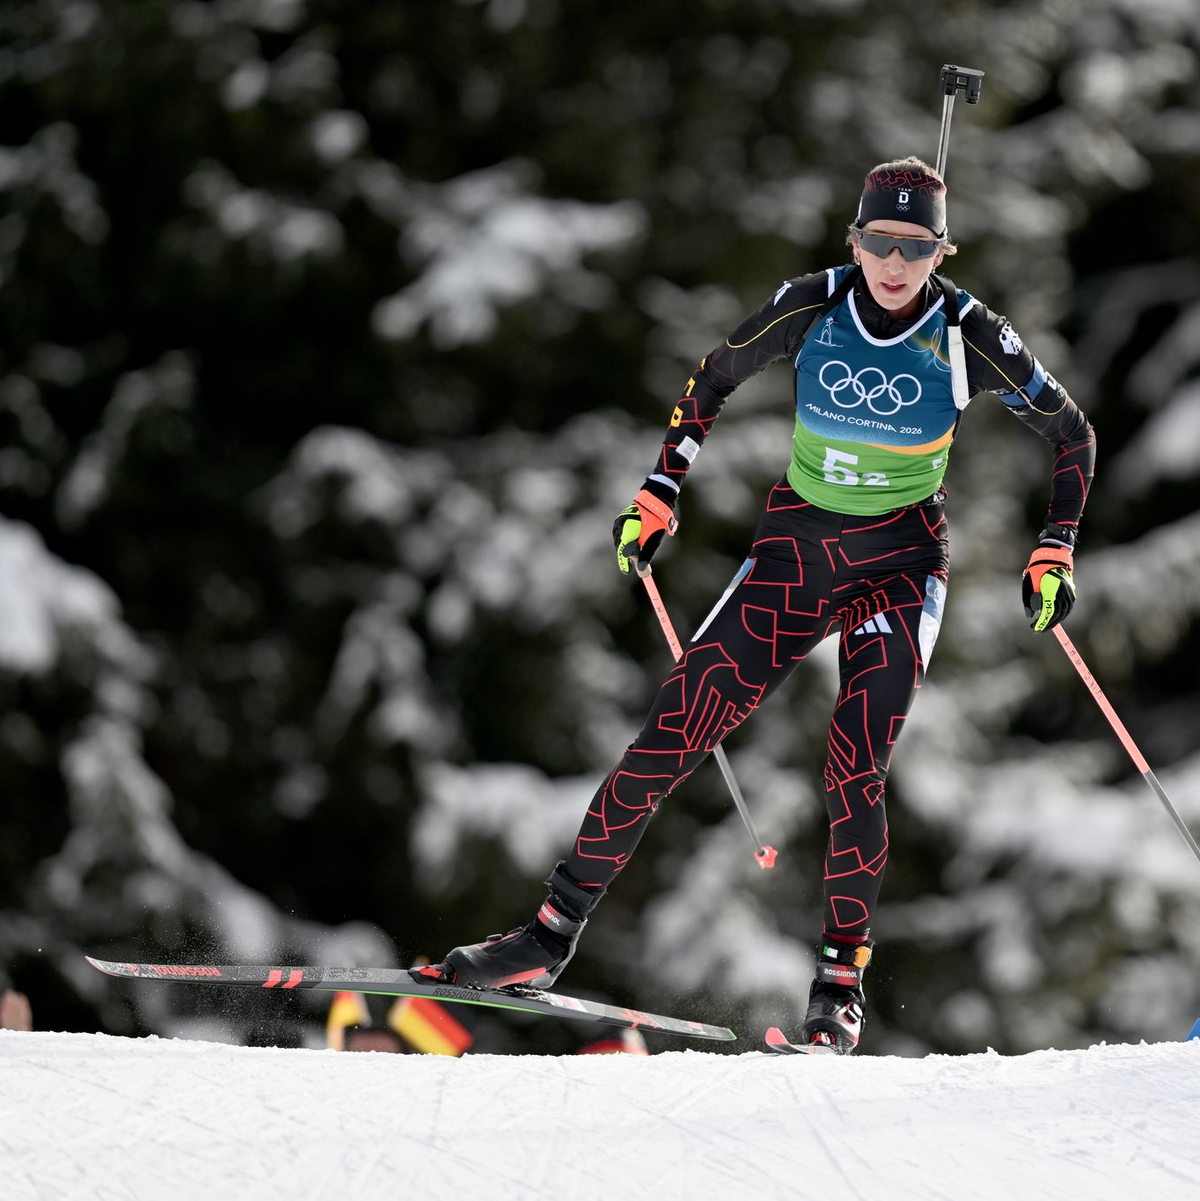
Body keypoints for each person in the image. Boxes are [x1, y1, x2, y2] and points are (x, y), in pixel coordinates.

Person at [426, 156, 1096, 1053]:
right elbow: (711, 378)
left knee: (855, 766)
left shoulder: (968, 333)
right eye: (880, 242)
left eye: (917, 247)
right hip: (794, 557)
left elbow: (1072, 434)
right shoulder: (811, 304)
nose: (895, 264)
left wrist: (1055, 545)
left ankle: (838, 990)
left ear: (943, 252)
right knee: (669, 734)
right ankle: (545, 938)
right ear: (854, 240)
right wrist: (661, 490)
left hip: (899, 569)